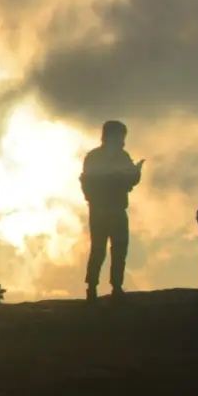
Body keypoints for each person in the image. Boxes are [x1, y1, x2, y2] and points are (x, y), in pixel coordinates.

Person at [80, 120, 143, 301]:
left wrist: (135, 173)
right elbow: (87, 181)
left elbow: (130, 181)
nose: (123, 140)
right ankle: (97, 286)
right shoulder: (102, 157)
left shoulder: (111, 156)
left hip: (108, 208)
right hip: (105, 208)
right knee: (104, 248)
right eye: (121, 136)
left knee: (115, 248)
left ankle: (110, 286)